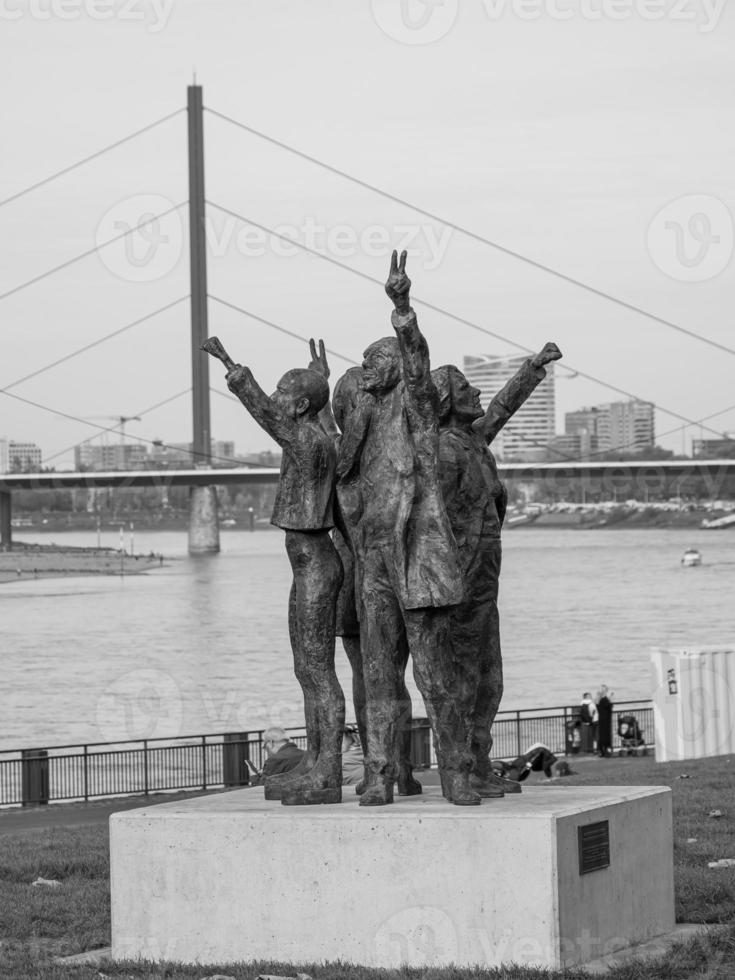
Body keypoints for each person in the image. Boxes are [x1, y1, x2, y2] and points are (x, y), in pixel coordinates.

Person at [338, 252, 470, 806]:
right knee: (378, 674)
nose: (365, 369)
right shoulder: (361, 424)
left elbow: (420, 361)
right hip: (373, 563)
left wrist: (402, 308)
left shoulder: (415, 407)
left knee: (435, 677)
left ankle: (458, 774)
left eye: (373, 361)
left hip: (416, 559)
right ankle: (378, 774)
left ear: (394, 366)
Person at [431, 341, 561, 798]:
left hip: (487, 579)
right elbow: (431, 521)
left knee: (491, 679)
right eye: (466, 387)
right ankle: (461, 766)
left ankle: (481, 760)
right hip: (463, 580)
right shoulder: (442, 452)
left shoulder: (472, 441)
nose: (477, 391)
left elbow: (502, 409)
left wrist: (533, 368)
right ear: (445, 401)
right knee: (463, 678)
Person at [225, 354, 345, 806]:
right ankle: (315, 763)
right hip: (307, 565)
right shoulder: (321, 435)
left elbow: (264, 413)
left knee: (318, 671)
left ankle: (327, 772)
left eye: (283, 393)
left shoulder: (306, 442)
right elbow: (326, 424)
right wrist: (322, 381)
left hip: (315, 563)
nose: (275, 399)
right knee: (305, 669)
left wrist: (236, 371)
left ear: (297, 408)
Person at [596, 685, 614, 757]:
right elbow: (609, 706)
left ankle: (601, 750)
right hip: (606, 719)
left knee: (601, 735)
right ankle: (606, 750)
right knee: (606, 735)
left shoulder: (598, 700)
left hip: (601, 719)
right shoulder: (604, 700)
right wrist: (610, 698)